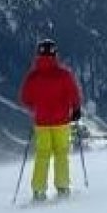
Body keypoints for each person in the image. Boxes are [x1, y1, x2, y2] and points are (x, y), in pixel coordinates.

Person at [18, 38, 83, 202]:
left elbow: (25, 98)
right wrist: (75, 109)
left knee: (42, 155)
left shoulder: (33, 76)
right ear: (55, 54)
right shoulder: (64, 74)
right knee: (61, 153)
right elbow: (74, 94)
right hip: (61, 121)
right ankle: (62, 187)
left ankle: (38, 190)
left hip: (41, 122)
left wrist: (37, 106)